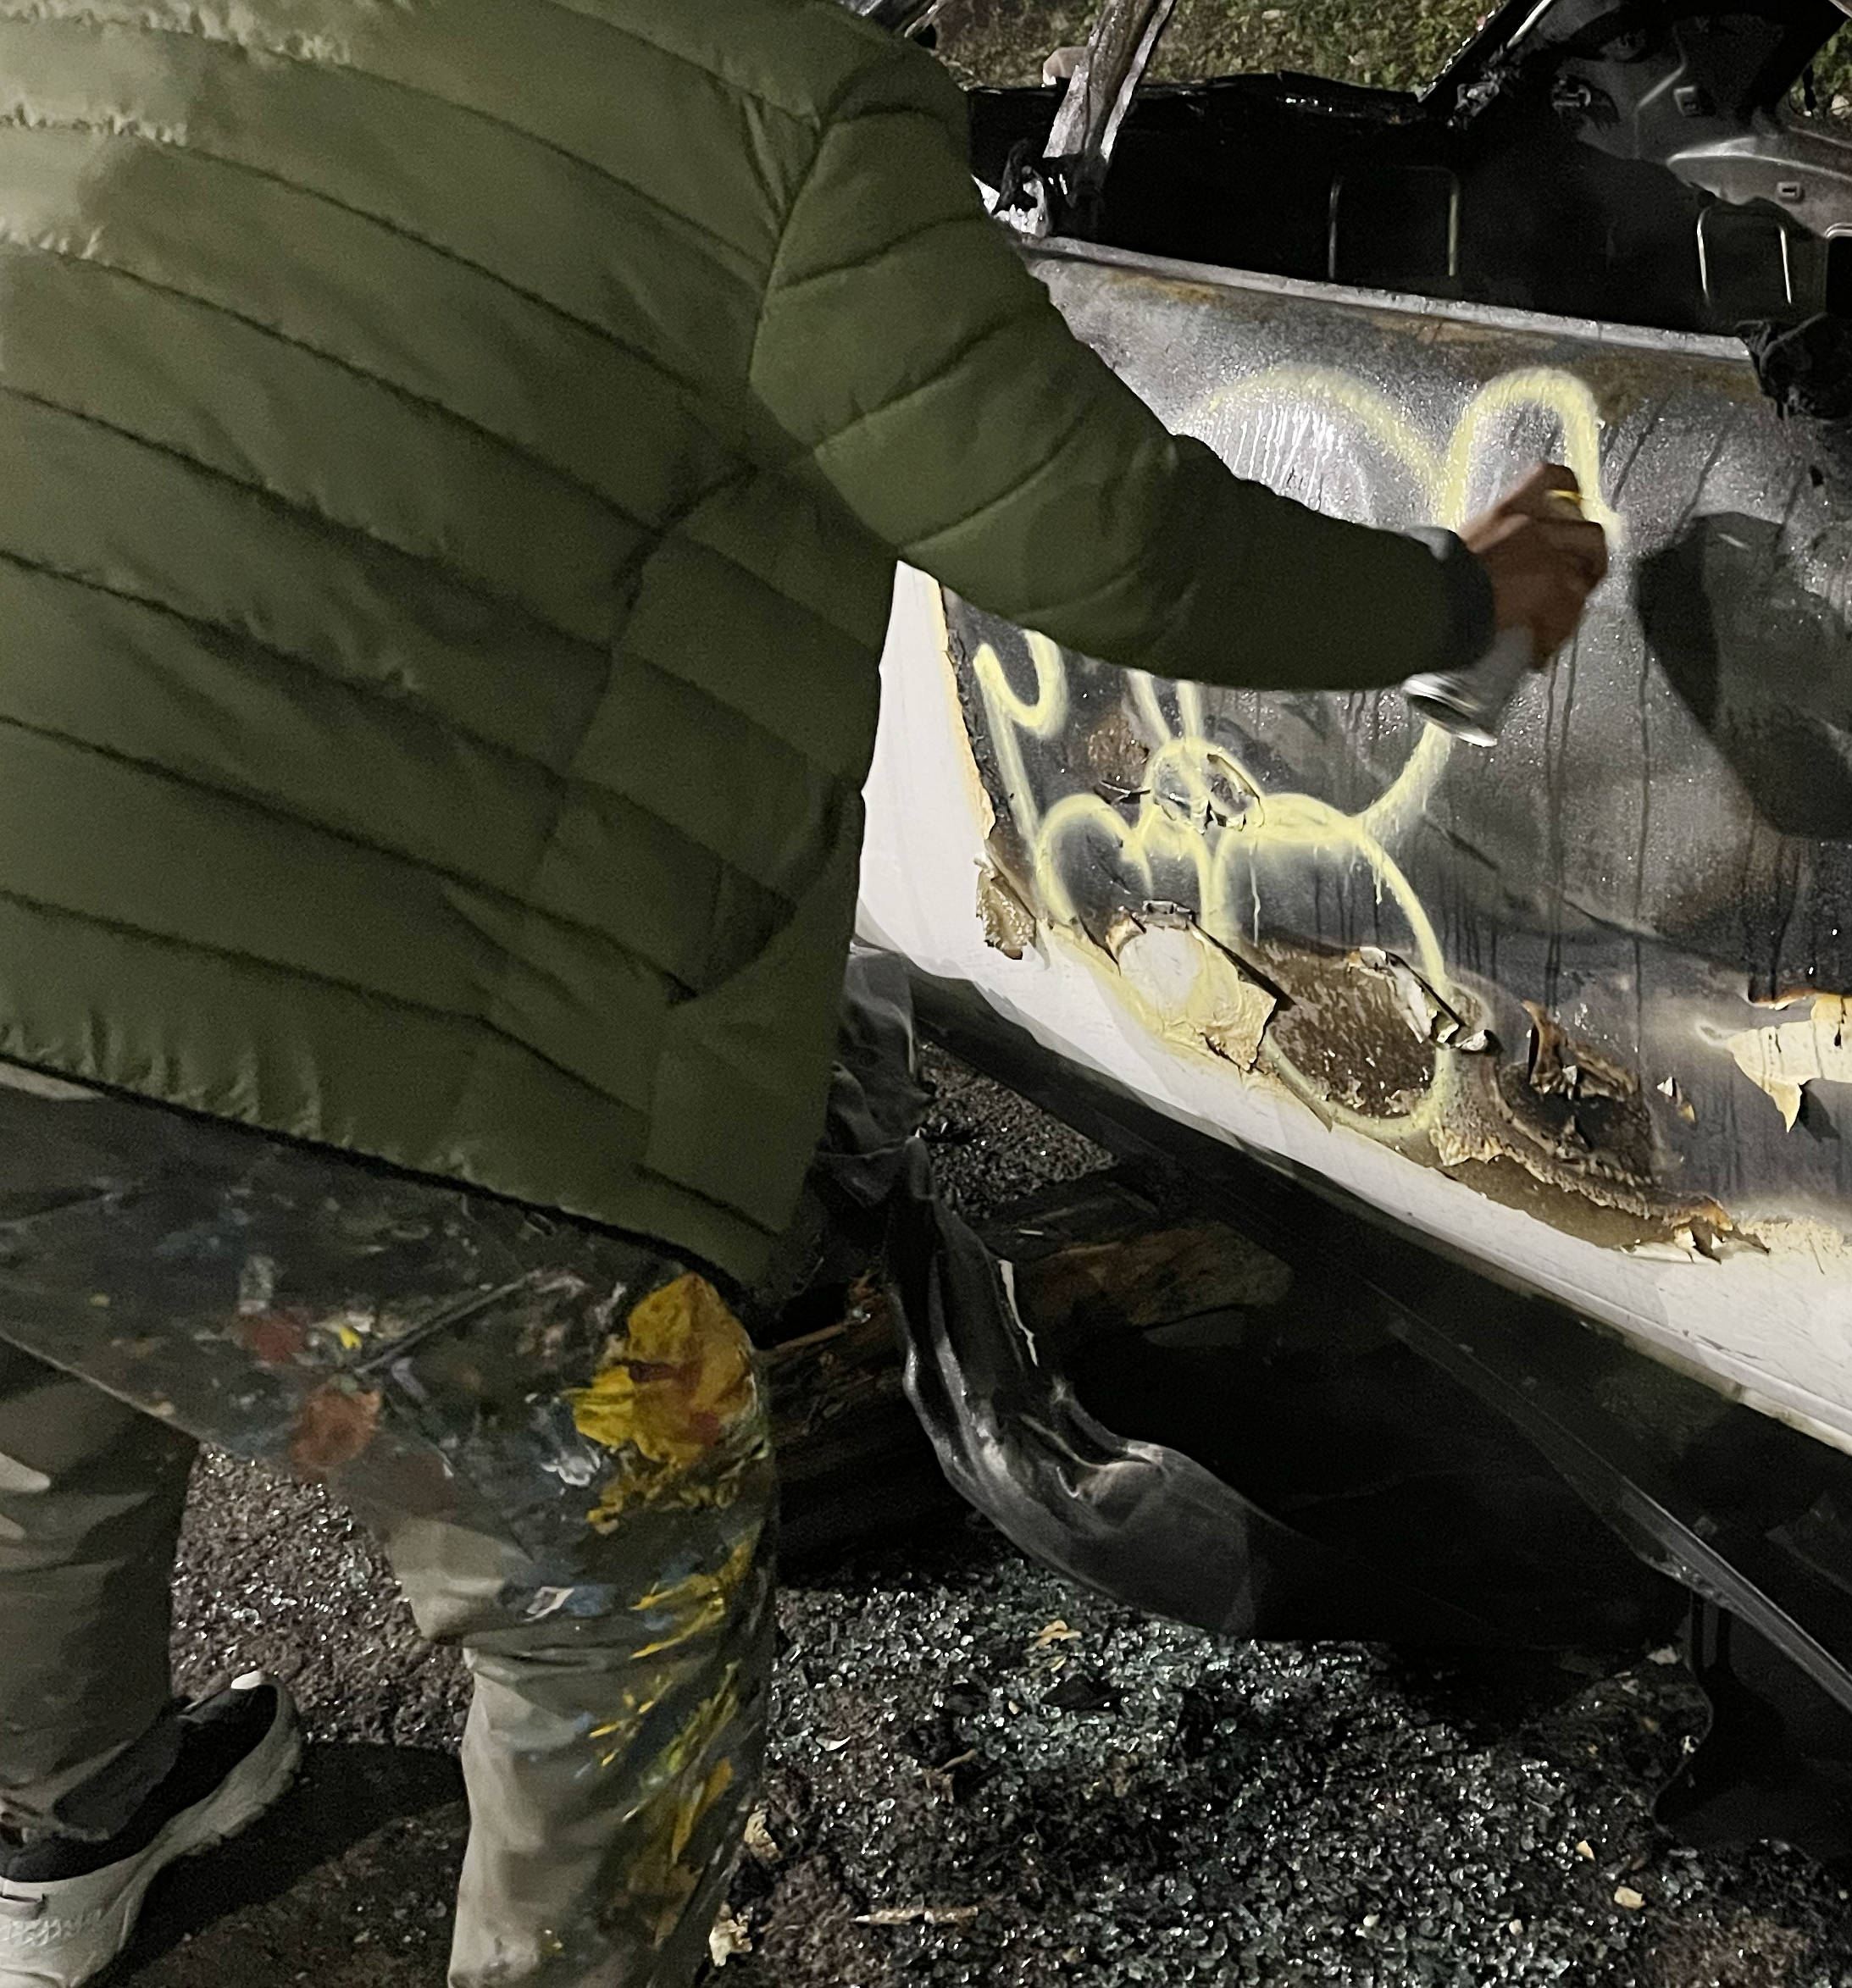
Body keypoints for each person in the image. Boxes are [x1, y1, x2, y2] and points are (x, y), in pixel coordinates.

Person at [0, 3, 1610, 1985]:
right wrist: (1457, 599)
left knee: (46, 1372)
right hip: (264, 1004)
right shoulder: (773, 109)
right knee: (615, 1569)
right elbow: (1111, 542)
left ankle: (68, 1835)